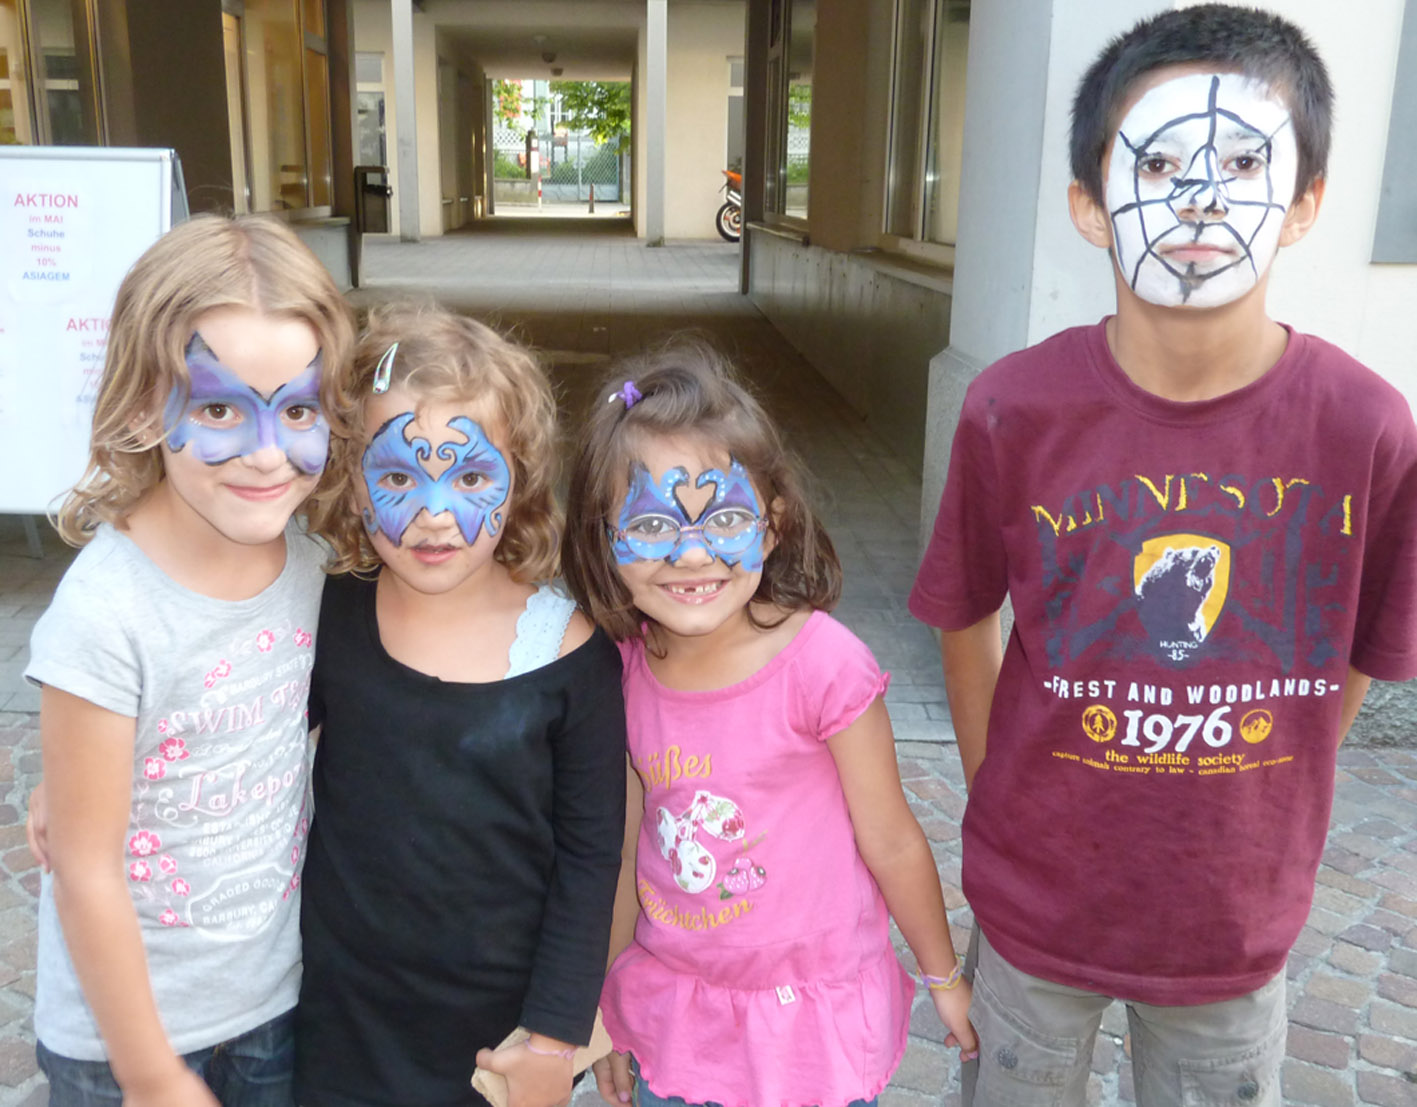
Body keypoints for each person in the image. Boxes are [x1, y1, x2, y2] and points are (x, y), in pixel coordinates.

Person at [908, 6, 1417, 1106]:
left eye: (1242, 164)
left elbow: (1362, 646)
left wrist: (1265, 795)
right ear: (1089, 206)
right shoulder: (1010, 410)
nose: (1198, 199)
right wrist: (1003, 787)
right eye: (1157, 163)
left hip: (1229, 923)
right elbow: (962, 611)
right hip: (1037, 906)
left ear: (1304, 203)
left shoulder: (1366, 427)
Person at [561, 343, 978, 1107]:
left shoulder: (824, 664)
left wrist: (942, 976)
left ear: (772, 525)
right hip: (675, 1016)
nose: (691, 553)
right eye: (650, 524)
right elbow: (621, 853)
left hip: (809, 1022)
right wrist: (604, 1004)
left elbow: (890, 838)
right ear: (602, 536)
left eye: (723, 517)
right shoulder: (616, 672)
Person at [24, 214, 354, 1106]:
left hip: (271, 1004)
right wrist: (149, 1073)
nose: (265, 453)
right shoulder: (106, 612)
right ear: (143, 406)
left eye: (298, 410)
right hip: (120, 1040)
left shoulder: (312, 567)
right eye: (217, 408)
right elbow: (85, 869)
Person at [295, 302, 627, 1107]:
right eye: (397, 476)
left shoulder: (571, 657)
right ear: (351, 477)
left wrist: (554, 1036)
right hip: (342, 1019)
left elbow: (590, 861)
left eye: (471, 475)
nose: (434, 514)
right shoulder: (331, 613)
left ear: (520, 478)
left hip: (496, 1037)